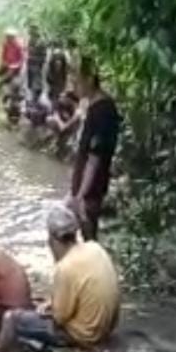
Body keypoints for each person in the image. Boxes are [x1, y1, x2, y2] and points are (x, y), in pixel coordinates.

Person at [0, 204, 120, 352]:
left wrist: (47, 310)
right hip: (106, 329)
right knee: (41, 307)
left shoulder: (65, 267)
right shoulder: (95, 248)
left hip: (85, 336)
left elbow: (59, 318)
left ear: (53, 239)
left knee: (12, 319)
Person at [70, 58, 121, 241]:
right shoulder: (94, 107)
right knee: (86, 234)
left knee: (88, 235)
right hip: (87, 185)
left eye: (76, 81)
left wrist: (80, 195)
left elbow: (95, 158)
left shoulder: (103, 111)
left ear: (89, 79)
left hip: (91, 189)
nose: (73, 86)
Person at [26, 26, 47, 95]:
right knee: (31, 82)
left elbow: (44, 55)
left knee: (36, 82)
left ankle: (36, 94)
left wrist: (39, 61)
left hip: (37, 63)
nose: (31, 33)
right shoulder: (30, 40)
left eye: (33, 31)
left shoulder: (41, 41)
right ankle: (33, 94)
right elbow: (28, 50)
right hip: (31, 62)